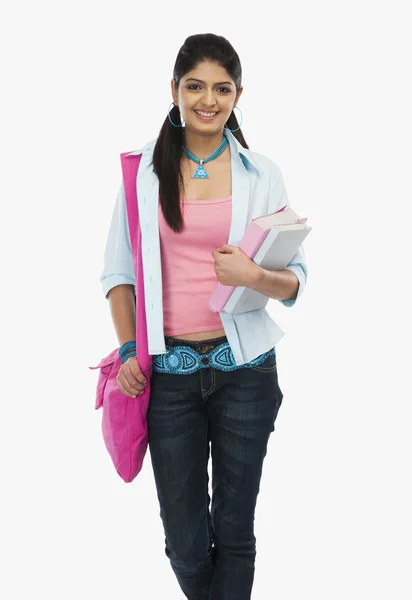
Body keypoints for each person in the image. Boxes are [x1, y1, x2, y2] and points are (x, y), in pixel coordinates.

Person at [101, 32, 308, 600]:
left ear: (239, 95)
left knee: (236, 536)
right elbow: (118, 274)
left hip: (246, 371)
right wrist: (126, 350)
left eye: (222, 88)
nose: (208, 100)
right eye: (195, 86)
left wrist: (254, 277)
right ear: (174, 90)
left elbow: (295, 280)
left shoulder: (261, 173)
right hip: (168, 375)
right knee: (186, 543)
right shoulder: (142, 172)